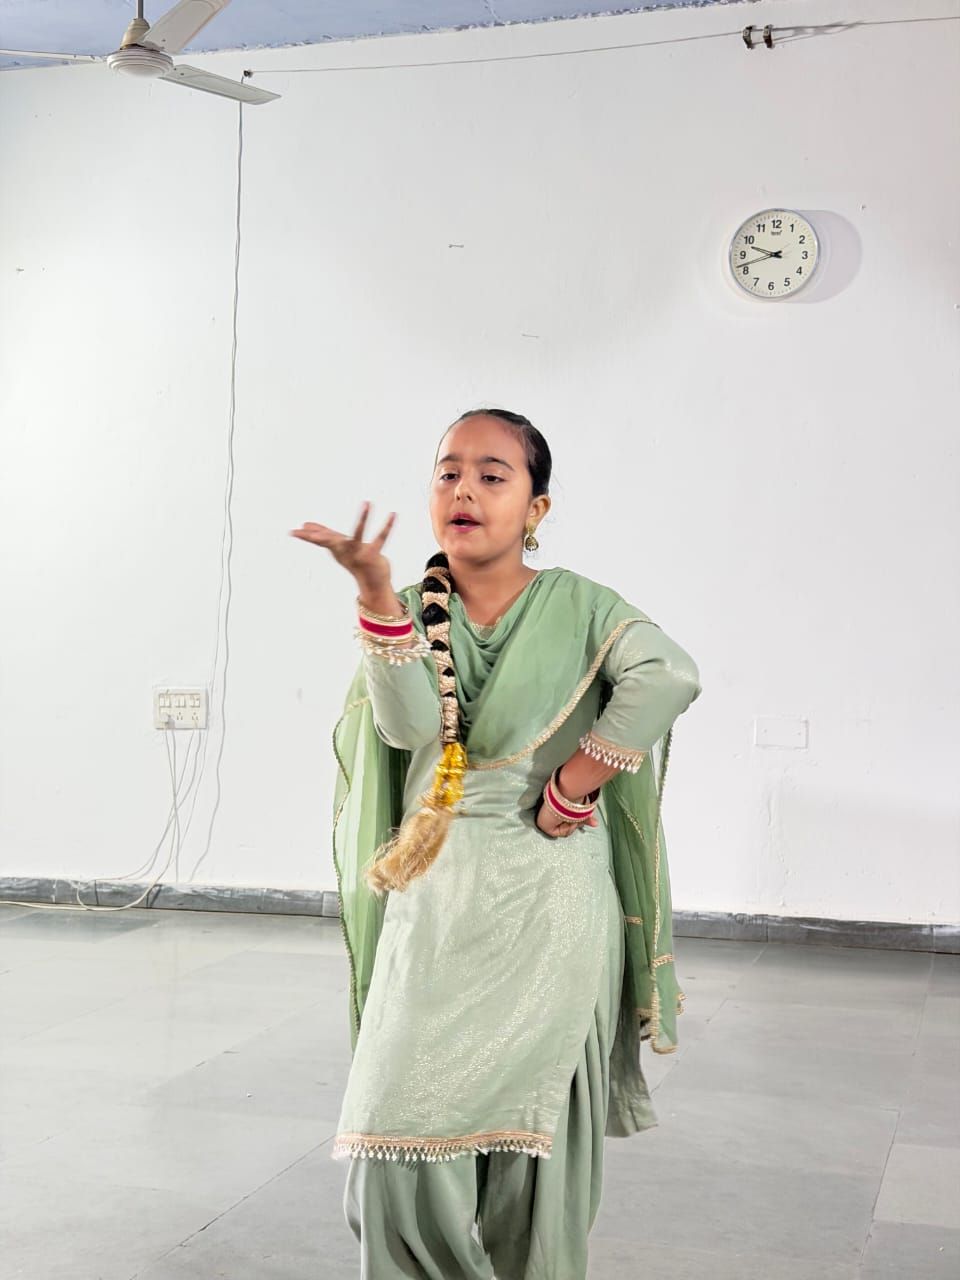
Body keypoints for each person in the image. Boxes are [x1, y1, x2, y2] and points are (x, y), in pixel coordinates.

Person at [290, 408, 702, 1280]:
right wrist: (374, 591)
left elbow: (670, 674)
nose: (464, 489)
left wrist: (575, 782)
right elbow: (409, 730)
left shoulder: (580, 605)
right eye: (448, 472)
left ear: (536, 508)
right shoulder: (408, 609)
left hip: (550, 901)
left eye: (491, 474)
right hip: (435, 897)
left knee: (533, 1158)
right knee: (390, 1148)